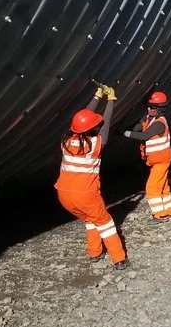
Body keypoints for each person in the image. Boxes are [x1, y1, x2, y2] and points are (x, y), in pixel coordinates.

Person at [55, 84, 129, 269]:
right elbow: (105, 123)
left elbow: (81, 122)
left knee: (90, 220)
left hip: (64, 194)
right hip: (86, 194)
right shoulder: (94, 145)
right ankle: (119, 259)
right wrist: (111, 101)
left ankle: (95, 253)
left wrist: (96, 97)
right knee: (106, 223)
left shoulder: (66, 142)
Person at [121, 91, 171, 222]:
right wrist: (126, 129)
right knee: (163, 187)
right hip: (158, 160)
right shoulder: (149, 118)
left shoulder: (159, 123)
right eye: (148, 106)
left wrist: (124, 133)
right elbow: (138, 126)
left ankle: (159, 215)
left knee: (152, 187)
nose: (148, 109)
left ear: (159, 109)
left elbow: (143, 135)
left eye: (152, 107)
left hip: (161, 161)